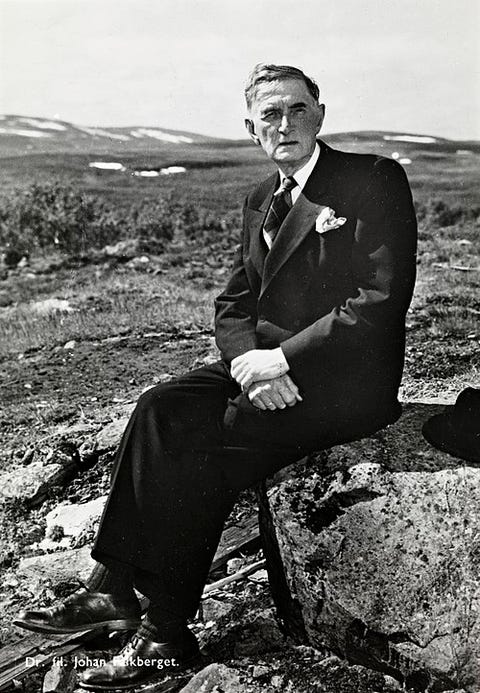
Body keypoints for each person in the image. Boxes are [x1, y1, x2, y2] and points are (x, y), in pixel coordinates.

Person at [14, 63, 417, 690]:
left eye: (298, 109)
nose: (285, 124)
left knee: (204, 444)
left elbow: (379, 299)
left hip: (346, 384)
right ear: (251, 128)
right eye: (270, 115)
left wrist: (282, 360)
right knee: (158, 406)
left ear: (320, 114)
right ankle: (112, 588)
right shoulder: (260, 197)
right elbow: (233, 303)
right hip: (263, 369)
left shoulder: (371, 179)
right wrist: (248, 364)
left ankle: (165, 634)